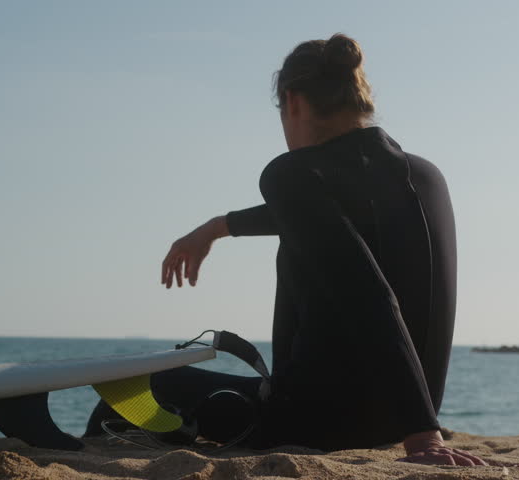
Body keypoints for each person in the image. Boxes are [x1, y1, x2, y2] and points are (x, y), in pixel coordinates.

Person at [87, 33, 487, 467]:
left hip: (313, 423)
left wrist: (423, 438)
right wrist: (217, 228)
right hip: (399, 416)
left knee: (137, 388)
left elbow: (368, 294)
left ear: (293, 102)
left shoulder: (291, 174)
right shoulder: (426, 176)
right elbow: (323, 218)